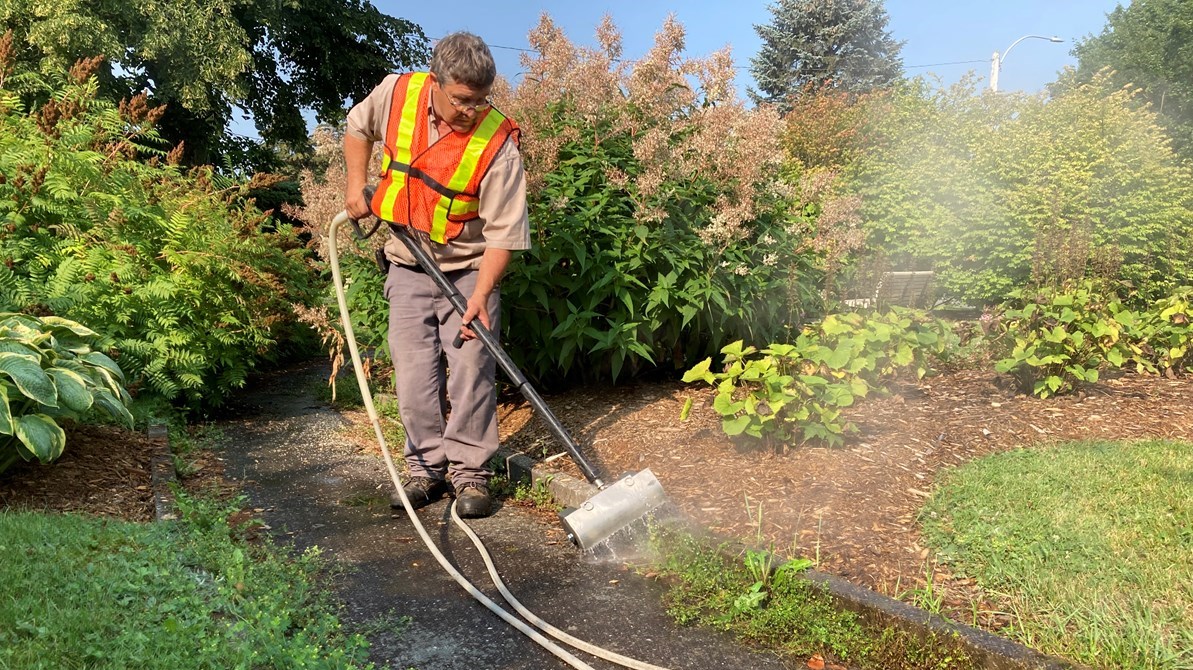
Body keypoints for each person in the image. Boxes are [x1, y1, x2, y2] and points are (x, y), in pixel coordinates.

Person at [342, 32, 529, 518]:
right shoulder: (396, 94)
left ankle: (471, 475)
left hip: (469, 268)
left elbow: (505, 234)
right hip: (407, 262)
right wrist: (354, 185)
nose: (472, 110)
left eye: (482, 100)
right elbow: (356, 127)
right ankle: (425, 470)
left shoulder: (498, 144)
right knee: (413, 372)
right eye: (464, 100)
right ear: (437, 83)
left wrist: (482, 296)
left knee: (471, 371)